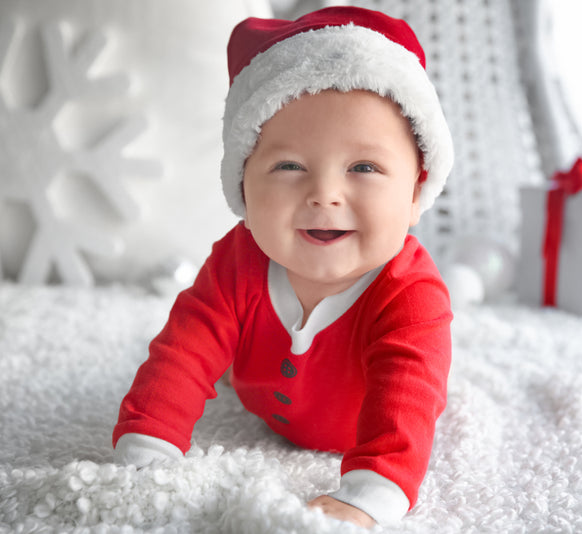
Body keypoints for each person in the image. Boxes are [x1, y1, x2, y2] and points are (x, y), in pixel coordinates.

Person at [112, 6, 454, 528]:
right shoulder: (238, 260)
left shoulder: (409, 294)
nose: (324, 195)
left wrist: (371, 494)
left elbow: (405, 403)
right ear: (244, 188)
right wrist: (148, 449)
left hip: (355, 429)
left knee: (418, 383)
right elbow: (182, 351)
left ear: (415, 192)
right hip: (259, 403)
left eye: (364, 167)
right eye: (289, 166)